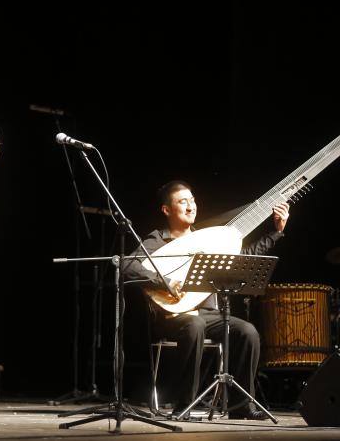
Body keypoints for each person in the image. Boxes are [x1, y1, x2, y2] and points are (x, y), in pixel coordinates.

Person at [124, 180, 289, 420]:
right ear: (167, 210)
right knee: (194, 325)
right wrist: (164, 282)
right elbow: (128, 265)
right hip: (172, 315)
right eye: (183, 202)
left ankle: (241, 406)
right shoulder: (158, 240)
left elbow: (241, 259)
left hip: (207, 314)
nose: (191, 206)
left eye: (192, 200)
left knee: (247, 331)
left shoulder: (206, 238)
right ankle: (185, 404)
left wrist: (276, 232)